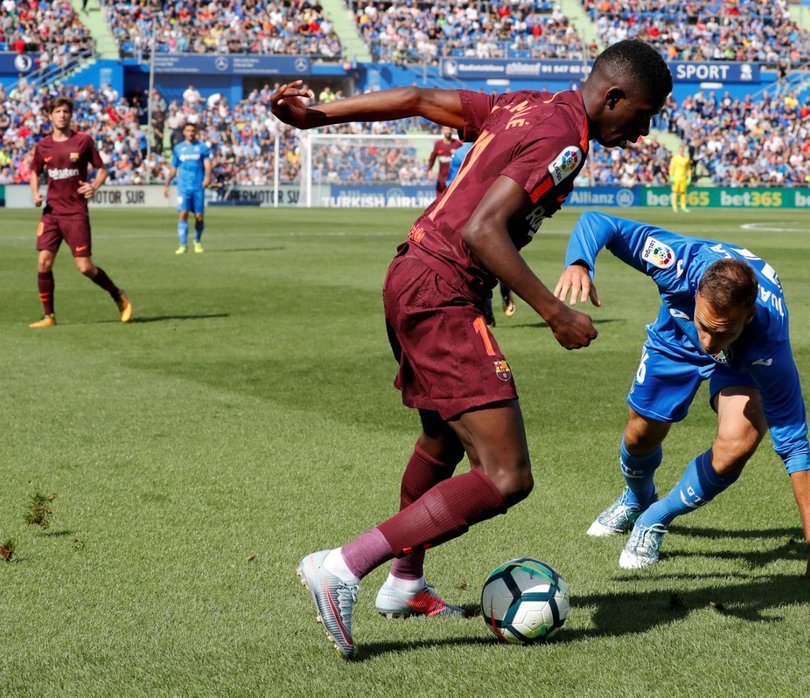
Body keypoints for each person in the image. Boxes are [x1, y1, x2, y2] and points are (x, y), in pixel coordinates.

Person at [270, 39, 672, 659]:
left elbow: (419, 97)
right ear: (614, 97)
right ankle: (342, 567)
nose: (643, 131)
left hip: (415, 273)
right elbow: (481, 229)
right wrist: (554, 311)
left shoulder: (526, 104)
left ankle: (404, 585)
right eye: (643, 115)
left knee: (440, 441)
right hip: (444, 289)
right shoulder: (564, 140)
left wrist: (320, 115)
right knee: (506, 477)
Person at [554, 212, 810, 585]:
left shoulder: (768, 347)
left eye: (722, 331)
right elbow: (600, 223)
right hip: (677, 336)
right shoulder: (679, 263)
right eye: (706, 326)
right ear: (696, 295)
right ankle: (635, 498)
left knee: (738, 444)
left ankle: (655, 517)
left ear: (749, 316)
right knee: (641, 433)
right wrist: (580, 261)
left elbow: (794, 445)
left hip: (739, 361)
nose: (710, 342)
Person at [28, 97, 132, 328]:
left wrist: (93, 186)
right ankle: (49, 317)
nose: (62, 115)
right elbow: (35, 171)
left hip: (75, 212)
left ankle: (117, 295)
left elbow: (102, 170)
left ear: (71, 115)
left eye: (66, 111)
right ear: (50, 116)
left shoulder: (83, 141)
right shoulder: (43, 145)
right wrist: (35, 193)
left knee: (84, 267)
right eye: (57, 111)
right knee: (43, 262)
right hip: (51, 212)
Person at [447, 142, 515, 320]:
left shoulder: (462, 152)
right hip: (497, 212)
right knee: (498, 258)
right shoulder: (499, 142)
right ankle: (491, 306)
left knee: (479, 263)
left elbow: (452, 184)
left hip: (475, 215)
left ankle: (490, 306)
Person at [164, 122, 212, 254]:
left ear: (195, 132)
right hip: (183, 187)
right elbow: (174, 168)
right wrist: (167, 184)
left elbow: (207, 165)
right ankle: (183, 245)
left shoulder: (202, 148)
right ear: (184, 132)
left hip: (198, 186)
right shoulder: (178, 148)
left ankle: (197, 241)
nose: (190, 133)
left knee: (199, 217)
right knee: (183, 214)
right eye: (188, 130)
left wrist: (207, 177)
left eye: (193, 130)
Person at [426, 125, 462, 195]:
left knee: (453, 199)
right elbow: (432, 158)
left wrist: (457, 153)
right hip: (441, 178)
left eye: (450, 130)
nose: (448, 131)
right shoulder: (438, 144)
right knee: (439, 200)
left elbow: (464, 158)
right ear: (442, 130)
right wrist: (429, 169)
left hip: (454, 178)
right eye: (446, 129)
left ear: (452, 131)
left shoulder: (458, 144)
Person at [668, 143, 692, 213]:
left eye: (682, 150)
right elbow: (672, 168)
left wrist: (689, 177)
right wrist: (671, 176)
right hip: (676, 178)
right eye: (680, 150)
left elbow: (688, 169)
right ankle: (674, 207)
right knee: (675, 192)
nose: (681, 151)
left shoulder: (686, 159)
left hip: (683, 178)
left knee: (683, 193)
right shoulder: (674, 158)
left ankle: (683, 206)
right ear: (678, 150)